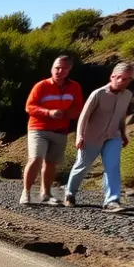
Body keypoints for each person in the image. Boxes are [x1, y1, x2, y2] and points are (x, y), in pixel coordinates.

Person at [65, 63, 134, 212]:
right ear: (112, 77)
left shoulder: (127, 95)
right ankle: (70, 193)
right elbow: (84, 116)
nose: (124, 82)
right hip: (91, 137)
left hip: (113, 136)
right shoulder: (98, 94)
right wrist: (79, 136)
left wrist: (123, 133)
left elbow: (121, 116)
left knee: (112, 167)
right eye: (121, 78)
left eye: (128, 79)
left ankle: (112, 201)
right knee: (82, 165)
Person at [22, 55, 83, 206]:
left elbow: (78, 106)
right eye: (57, 67)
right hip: (38, 128)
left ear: (69, 70)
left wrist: (69, 114)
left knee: (51, 163)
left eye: (63, 68)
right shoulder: (41, 86)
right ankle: (26, 192)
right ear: (52, 68)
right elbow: (29, 107)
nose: (59, 71)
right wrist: (48, 113)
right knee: (35, 158)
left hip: (61, 130)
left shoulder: (74, 87)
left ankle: (46, 194)